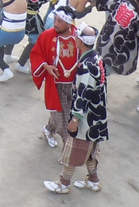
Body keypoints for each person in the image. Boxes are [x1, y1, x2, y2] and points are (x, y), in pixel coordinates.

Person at [45, 25, 107, 193]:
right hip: (98, 114)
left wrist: (75, 118)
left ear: (79, 41)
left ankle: (63, 184)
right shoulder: (96, 58)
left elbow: (83, 93)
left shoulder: (86, 65)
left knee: (75, 148)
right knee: (91, 148)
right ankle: (93, 180)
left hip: (86, 117)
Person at [30, 6, 80, 151]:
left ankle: (48, 129)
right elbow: (36, 54)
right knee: (65, 122)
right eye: (55, 20)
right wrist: (45, 66)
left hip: (74, 84)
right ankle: (68, 153)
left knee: (68, 114)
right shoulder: (47, 35)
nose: (55, 23)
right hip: (56, 84)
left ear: (69, 24)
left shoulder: (78, 36)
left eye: (59, 21)